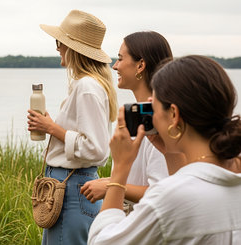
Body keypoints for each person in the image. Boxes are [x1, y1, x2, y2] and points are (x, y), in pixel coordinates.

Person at [88, 55, 241, 244]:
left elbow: (103, 241)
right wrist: (170, 152)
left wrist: (120, 169)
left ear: (174, 114)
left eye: (155, 104)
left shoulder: (168, 200)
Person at [27, 10, 118, 245]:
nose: (57, 47)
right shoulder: (87, 84)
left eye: (60, 42)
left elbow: (96, 149)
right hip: (72, 186)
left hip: (72, 189)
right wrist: (50, 126)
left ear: (73, 48)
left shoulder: (87, 86)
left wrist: (51, 128)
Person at [80, 31, 170, 210]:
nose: (115, 66)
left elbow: (162, 192)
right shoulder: (137, 116)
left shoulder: (157, 121)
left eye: (120, 58)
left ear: (140, 65)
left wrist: (111, 186)